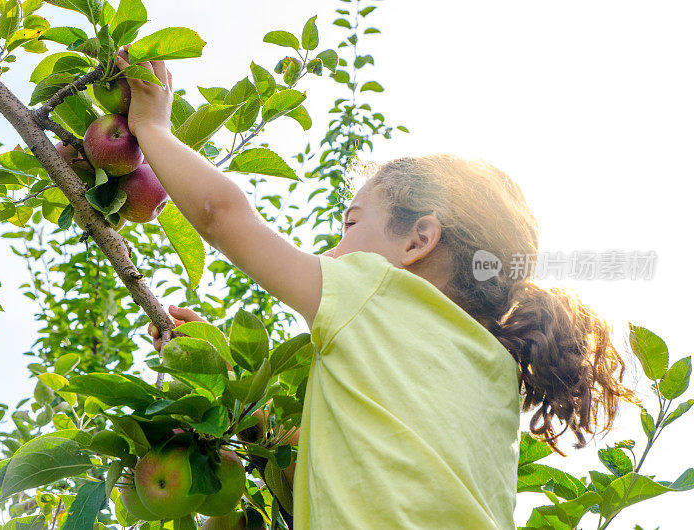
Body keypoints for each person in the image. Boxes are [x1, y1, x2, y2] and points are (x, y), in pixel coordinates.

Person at [118, 53, 639, 529]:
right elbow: (357, 464)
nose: (334, 249)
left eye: (349, 225)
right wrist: (234, 399)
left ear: (418, 240)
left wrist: (152, 127)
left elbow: (220, 212)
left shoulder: (373, 290)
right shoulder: (495, 369)